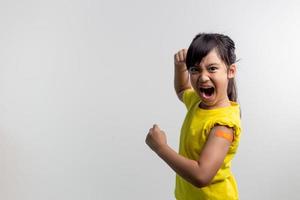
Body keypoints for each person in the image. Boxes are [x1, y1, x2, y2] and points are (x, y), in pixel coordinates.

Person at [145, 33, 242, 200]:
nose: (203, 77)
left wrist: (161, 148)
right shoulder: (198, 102)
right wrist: (180, 66)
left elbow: (201, 176)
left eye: (212, 68)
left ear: (230, 71)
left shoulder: (223, 125)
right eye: (195, 69)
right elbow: (183, 90)